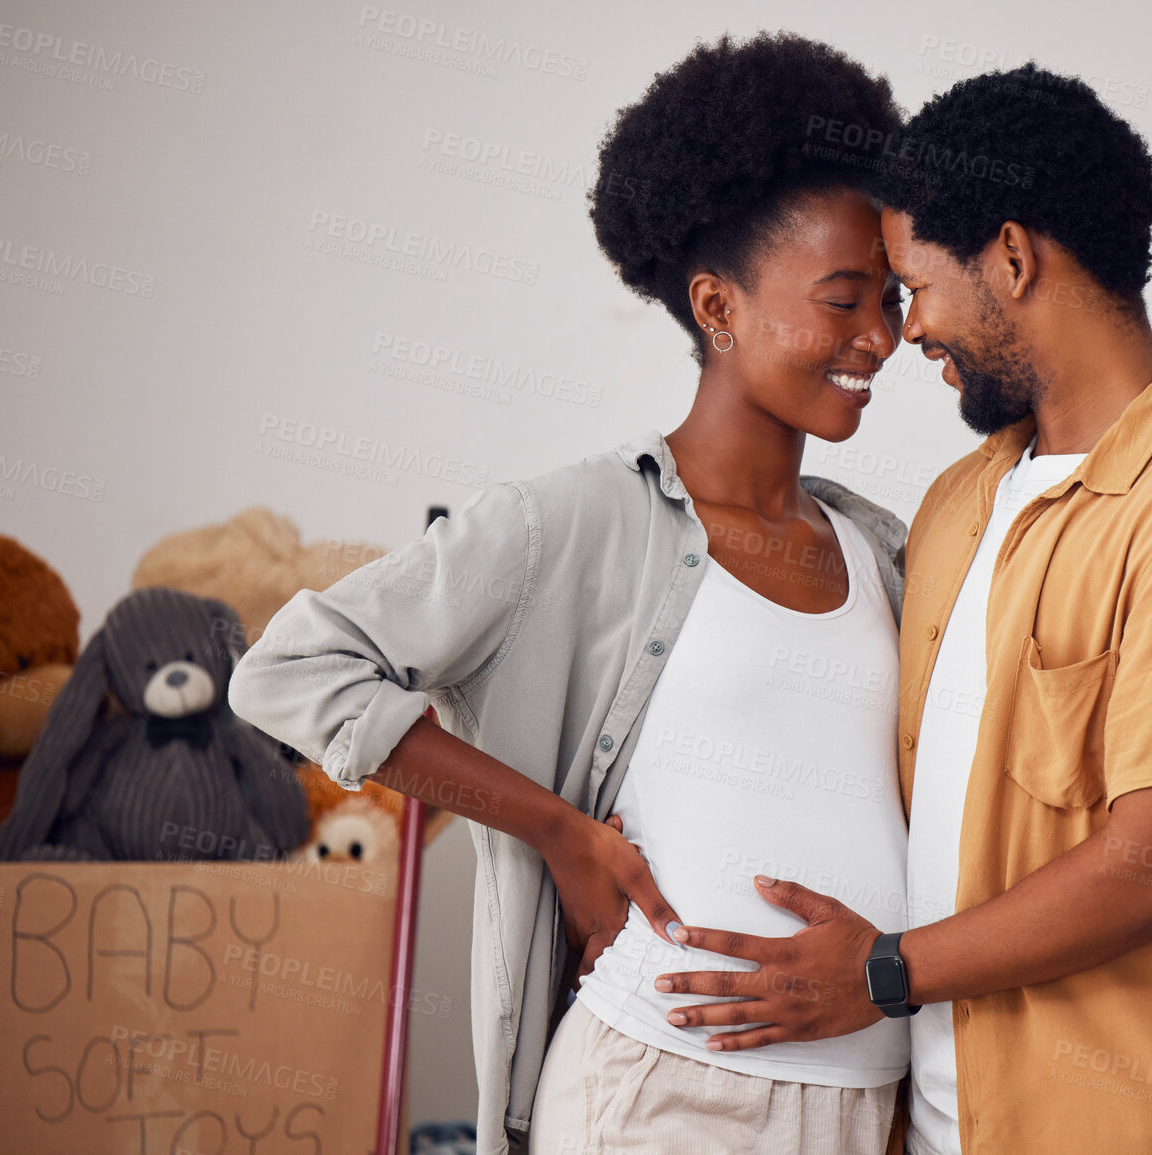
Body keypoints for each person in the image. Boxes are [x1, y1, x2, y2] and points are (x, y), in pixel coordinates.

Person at [229, 32, 916, 1155]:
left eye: (889, 299)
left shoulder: (883, 551)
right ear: (717, 305)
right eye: (844, 302)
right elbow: (293, 670)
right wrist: (558, 831)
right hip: (662, 1095)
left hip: (863, 1100)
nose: (880, 338)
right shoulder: (576, 522)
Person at [653, 63, 1152, 1153]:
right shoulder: (958, 504)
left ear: (1012, 258)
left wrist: (883, 973)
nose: (906, 329)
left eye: (917, 285)